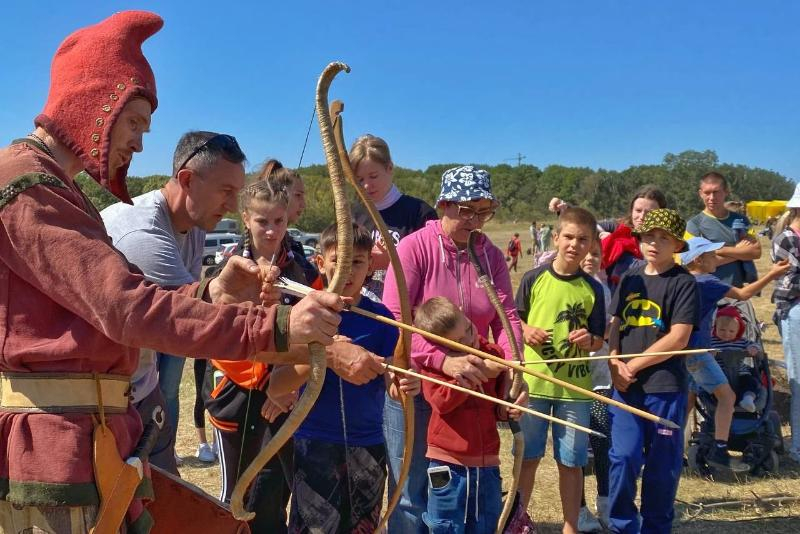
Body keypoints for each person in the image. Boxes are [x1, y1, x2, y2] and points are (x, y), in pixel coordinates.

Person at [0, 11, 344, 533]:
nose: (139, 143)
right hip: (54, 447)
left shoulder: (53, 189)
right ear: (95, 104)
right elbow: (125, 307)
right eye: (134, 121)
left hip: (89, 438)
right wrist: (272, 328)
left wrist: (210, 292)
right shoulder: (28, 188)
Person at [382, 165, 523, 534]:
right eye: (466, 211)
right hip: (416, 383)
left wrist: (514, 372)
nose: (475, 221)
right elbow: (397, 321)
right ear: (443, 205)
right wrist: (443, 361)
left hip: (469, 389)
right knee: (410, 492)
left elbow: (506, 317)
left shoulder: (489, 255)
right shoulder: (413, 248)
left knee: (463, 490)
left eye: (483, 212)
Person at [102, 130, 246, 473]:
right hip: (108, 404)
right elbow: (199, 324)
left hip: (137, 387)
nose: (233, 206)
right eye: (226, 191)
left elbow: (199, 298)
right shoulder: (143, 235)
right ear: (187, 180)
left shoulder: (193, 223)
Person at [267, 224, 420, 533]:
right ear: (321, 262)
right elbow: (276, 386)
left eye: (358, 262)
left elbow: (394, 381)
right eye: (339, 260)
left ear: (370, 268)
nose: (348, 271)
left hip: (368, 444)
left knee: (362, 527)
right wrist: (323, 355)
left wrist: (405, 383)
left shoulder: (382, 320)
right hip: (315, 443)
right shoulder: (303, 315)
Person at [202, 169, 306, 532]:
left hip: (285, 391)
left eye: (278, 220)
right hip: (235, 389)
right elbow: (215, 330)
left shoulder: (298, 265)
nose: (271, 230)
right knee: (237, 494)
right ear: (245, 217)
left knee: (275, 493)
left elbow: (311, 334)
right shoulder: (228, 262)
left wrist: (289, 384)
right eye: (262, 220)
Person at [606, 209, 699, 534]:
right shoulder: (630, 277)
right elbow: (615, 323)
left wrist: (633, 365)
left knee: (662, 467)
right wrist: (614, 362)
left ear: (676, 244)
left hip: (665, 389)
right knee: (624, 458)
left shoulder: (683, 282)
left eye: (663, 238)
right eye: (648, 237)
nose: (654, 244)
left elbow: (679, 336)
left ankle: (656, 528)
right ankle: (621, 525)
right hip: (625, 389)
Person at [515, 207, 606, 534]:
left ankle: (571, 525)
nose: (574, 245)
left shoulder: (593, 289)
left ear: (592, 244)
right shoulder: (533, 278)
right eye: (568, 237)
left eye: (583, 239)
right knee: (528, 458)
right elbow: (514, 322)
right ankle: (517, 522)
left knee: (572, 462)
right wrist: (525, 330)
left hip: (574, 392)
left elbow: (598, 340)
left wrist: (589, 340)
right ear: (556, 238)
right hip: (534, 386)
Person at [412, 297, 523, 533]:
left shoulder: (492, 353)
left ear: (465, 315)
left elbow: (498, 405)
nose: (469, 341)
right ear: (438, 346)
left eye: (469, 330)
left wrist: (508, 409)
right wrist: (477, 374)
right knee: (445, 524)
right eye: (456, 343)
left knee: (485, 523)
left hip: (487, 462)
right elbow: (441, 402)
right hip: (447, 464)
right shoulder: (436, 366)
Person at [679, 236, 789, 471]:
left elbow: (712, 260)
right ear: (699, 259)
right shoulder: (708, 282)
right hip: (699, 352)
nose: (716, 260)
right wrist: (771, 274)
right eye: (711, 255)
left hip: (679, 350)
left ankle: (672, 449)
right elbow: (743, 294)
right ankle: (720, 449)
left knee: (686, 402)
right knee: (727, 398)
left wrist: (737, 253)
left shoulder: (682, 277)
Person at [349, 134, 437, 300]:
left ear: (389, 168)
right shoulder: (354, 215)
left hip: (407, 308)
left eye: (373, 176)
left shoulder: (420, 212)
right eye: (360, 179)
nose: (367, 185)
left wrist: (392, 261)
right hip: (362, 310)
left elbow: (435, 268)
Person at [576, 240, 612, 531]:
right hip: (573, 382)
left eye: (596, 254)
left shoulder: (606, 290)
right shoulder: (571, 288)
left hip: (600, 381)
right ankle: (578, 508)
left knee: (602, 442)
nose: (591, 258)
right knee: (575, 450)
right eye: (587, 254)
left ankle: (606, 502)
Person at [685, 172, 761, 288]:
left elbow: (755, 252)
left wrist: (717, 250)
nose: (711, 197)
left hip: (738, 291)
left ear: (726, 192)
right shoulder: (694, 225)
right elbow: (697, 264)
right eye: (707, 193)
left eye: (716, 192)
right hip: (708, 292)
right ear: (700, 193)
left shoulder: (741, 221)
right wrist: (739, 251)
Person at [771, 184, 800, 464]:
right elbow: (791, 280)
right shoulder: (787, 239)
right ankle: (797, 447)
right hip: (794, 310)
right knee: (799, 378)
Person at [599, 184, 666, 293]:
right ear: (631, 211)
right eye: (638, 211)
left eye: (649, 213)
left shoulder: (666, 243)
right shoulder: (618, 229)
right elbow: (586, 224)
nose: (642, 217)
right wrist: (607, 238)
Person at [710, 307, 762, 413]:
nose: (726, 334)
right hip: (719, 376)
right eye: (722, 330)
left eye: (731, 331)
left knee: (752, 382)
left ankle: (747, 399)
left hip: (741, 374)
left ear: (738, 330)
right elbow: (702, 351)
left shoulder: (742, 342)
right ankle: (723, 405)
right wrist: (709, 353)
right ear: (715, 328)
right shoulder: (711, 341)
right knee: (711, 388)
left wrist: (753, 349)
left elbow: (755, 345)